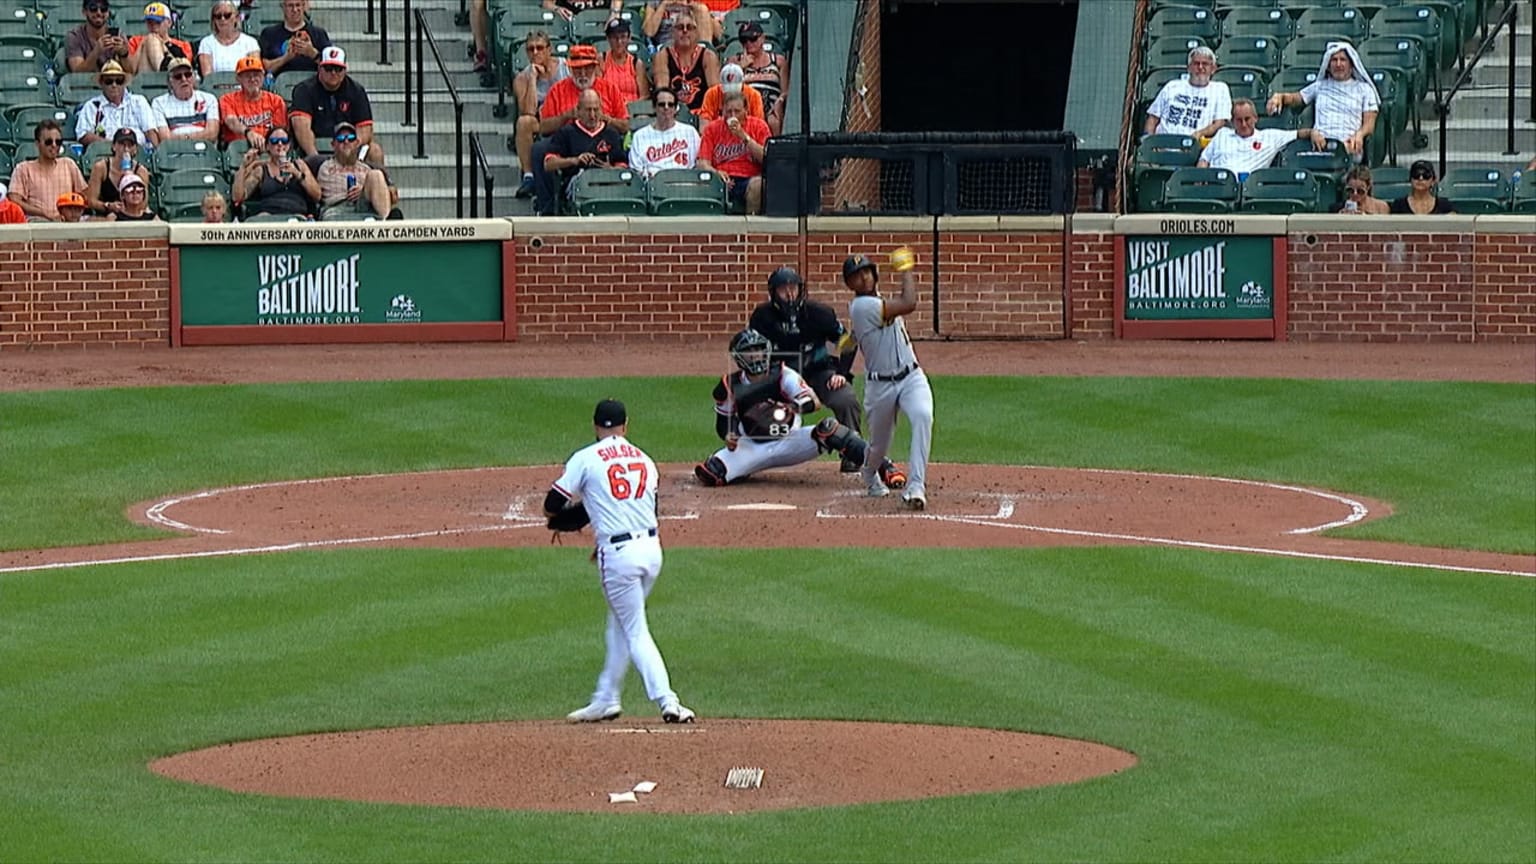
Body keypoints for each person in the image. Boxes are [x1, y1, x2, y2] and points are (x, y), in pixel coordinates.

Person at [546, 398, 696, 726]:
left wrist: (575, 522)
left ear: (596, 426)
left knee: (634, 630)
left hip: (619, 557)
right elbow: (643, 506)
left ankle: (668, 700)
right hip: (652, 550)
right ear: (626, 425)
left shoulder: (586, 457)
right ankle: (606, 699)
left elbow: (553, 504)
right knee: (621, 625)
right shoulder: (645, 459)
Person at [748, 267, 895, 479]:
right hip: (779, 377)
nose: (790, 294)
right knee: (752, 403)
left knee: (845, 398)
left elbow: (847, 343)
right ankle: (751, 455)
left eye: (793, 288)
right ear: (773, 292)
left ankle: (852, 454)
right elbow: (751, 350)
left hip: (818, 372)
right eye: (783, 289)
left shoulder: (820, 313)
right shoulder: (761, 318)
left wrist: (841, 373)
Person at [694, 328, 879, 487]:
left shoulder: (783, 374)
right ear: (738, 357)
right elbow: (724, 421)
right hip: (750, 445)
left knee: (829, 430)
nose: (755, 356)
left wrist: (793, 407)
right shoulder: (729, 385)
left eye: (758, 350)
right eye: (749, 352)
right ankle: (744, 468)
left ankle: (882, 466)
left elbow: (814, 402)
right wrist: (729, 435)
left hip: (789, 440)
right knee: (711, 473)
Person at [844, 248, 933, 511]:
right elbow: (909, 303)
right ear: (849, 284)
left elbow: (850, 341)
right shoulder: (862, 306)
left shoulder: (875, 304)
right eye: (857, 276)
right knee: (879, 446)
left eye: (867, 272)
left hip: (911, 377)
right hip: (879, 386)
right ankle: (870, 473)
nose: (864, 278)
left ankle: (916, 486)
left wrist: (850, 341)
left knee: (923, 416)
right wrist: (906, 269)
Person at [1266, 41, 1378, 159]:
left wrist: (1360, 135)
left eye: (1343, 60)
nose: (1338, 64)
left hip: (1350, 145)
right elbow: (1296, 98)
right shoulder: (1320, 86)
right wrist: (1279, 97)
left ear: (1351, 64)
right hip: (1319, 144)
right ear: (1328, 65)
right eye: (1334, 60)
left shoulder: (1365, 89)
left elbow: (1369, 124)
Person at [289, 47, 384, 169]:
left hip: (346, 145)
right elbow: (301, 128)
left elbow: (365, 129)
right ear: (319, 68)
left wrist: (349, 152)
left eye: (338, 69)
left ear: (345, 70)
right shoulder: (304, 89)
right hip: (314, 147)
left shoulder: (356, 90)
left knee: (375, 151)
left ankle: (383, 184)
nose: (333, 73)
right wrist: (317, 159)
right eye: (328, 68)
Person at [537, 89, 628, 215]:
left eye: (596, 110)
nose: (592, 115)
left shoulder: (611, 133)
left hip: (608, 184)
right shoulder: (566, 132)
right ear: (578, 111)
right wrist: (575, 160)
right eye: (588, 110)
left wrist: (610, 169)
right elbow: (548, 164)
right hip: (578, 183)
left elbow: (623, 166)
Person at [1197, 98, 1326, 178]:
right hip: (1216, 184)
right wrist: (1200, 178)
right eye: (1239, 120)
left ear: (1255, 118)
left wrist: (1313, 133)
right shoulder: (1222, 134)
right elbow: (1204, 159)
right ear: (1232, 121)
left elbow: (1298, 133)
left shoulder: (1269, 137)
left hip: (1247, 189)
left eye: (1247, 119)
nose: (1243, 124)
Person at [510, 31, 571, 198]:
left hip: (565, 116)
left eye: (540, 48)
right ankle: (529, 177)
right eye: (531, 49)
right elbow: (528, 110)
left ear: (549, 49)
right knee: (524, 123)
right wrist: (533, 78)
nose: (535, 52)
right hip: (542, 121)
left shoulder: (566, 68)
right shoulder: (522, 78)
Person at [696, 91, 768, 214]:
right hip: (722, 178)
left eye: (737, 111)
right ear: (722, 110)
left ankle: (751, 228)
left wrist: (743, 136)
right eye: (728, 111)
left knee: (758, 185)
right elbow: (702, 163)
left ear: (746, 110)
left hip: (749, 178)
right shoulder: (712, 128)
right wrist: (716, 173)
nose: (732, 115)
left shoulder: (759, 126)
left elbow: (767, 158)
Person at [6, 120, 88, 222]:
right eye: (48, 142)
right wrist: (44, 214)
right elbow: (14, 200)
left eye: (58, 142)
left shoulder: (68, 164)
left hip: (68, 221)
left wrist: (72, 212)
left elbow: (84, 195)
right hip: (37, 221)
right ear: (37, 143)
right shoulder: (23, 168)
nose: (54, 145)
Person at [1143, 46, 1231, 141]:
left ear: (1213, 69)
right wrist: (1149, 142)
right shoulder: (1172, 86)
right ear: (1189, 68)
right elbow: (1153, 118)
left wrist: (1200, 133)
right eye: (1196, 64)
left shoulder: (1220, 89)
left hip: (1195, 146)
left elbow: (1219, 123)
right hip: (1163, 144)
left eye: (1205, 64)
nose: (1200, 67)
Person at [233, 126, 321, 218]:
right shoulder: (261, 169)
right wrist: (243, 166)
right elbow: (238, 197)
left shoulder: (299, 165)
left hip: (297, 214)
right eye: (274, 141)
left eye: (284, 140)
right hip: (269, 216)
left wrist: (297, 174)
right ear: (267, 146)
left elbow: (317, 195)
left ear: (288, 145)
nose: (280, 144)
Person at [315, 123, 392, 220]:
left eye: (351, 138)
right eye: (341, 138)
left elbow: (386, 193)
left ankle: (385, 223)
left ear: (357, 143)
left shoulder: (366, 168)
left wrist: (362, 190)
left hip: (364, 207)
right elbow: (324, 196)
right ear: (333, 145)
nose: (346, 141)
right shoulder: (326, 167)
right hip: (336, 208)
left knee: (376, 175)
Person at [75, 61, 157, 147]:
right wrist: (114, 146)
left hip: (138, 153)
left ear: (124, 83)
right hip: (106, 153)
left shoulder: (139, 102)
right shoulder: (92, 106)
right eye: (109, 81)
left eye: (119, 81)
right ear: (101, 83)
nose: (114, 85)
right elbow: (83, 135)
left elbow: (150, 131)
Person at [652, 11, 718, 112]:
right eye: (680, 27)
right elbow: (662, 91)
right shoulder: (662, 56)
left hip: (702, 113)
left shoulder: (708, 56)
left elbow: (714, 94)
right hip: (672, 113)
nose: (685, 31)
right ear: (673, 32)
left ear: (696, 32)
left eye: (690, 27)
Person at [729, 21, 787, 135]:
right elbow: (728, 89)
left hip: (771, 107)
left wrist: (780, 102)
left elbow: (785, 91)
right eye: (744, 40)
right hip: (746, 107)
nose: (749, 43)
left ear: (762, 38)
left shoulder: (778, 61)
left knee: (773, 121)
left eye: (753, 38)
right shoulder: (735, 61)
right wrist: (741, 68)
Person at [627, 86, 699, 175]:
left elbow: (698, 163)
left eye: (670, 104)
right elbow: (636, 171)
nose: (666, 107)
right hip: (653, 185)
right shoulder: (640, 136)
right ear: (654, 107)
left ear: (676, 108)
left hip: (684, 182)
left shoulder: (690, 132)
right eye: (661, 104)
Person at [150, 57, 221, 145]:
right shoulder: (159, 103)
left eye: (188, 75)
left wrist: (183, 137)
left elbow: (212, 134)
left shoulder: (209, 99)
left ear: (194, 77)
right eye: (178, 76)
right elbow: (165, 138)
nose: (184, 79)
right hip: (175, 154)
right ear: (170, 81)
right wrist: (200, 135)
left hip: (204, 153)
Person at [220, 55, 288, 146]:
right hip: (239, 149)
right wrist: (248, 133)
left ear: (263, 77)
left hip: (269, 148)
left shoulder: (276, 101)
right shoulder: (227, 99)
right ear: (238, 79)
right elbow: (231, 122)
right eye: (247, 76)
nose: (252, 79)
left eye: (256, 75)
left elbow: (279, 131)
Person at [85, 127, 152, 217]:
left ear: (135, 149)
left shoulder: (141, 171)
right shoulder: (101, 167)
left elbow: (144, 203)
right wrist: (108, 206)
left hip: (132, 214)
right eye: (121, 144)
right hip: (106, 215)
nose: (126, 149)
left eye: (130, 145)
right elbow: (91, 200)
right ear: (114, 146)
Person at [259, 0, 332, 78]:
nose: (295, 10)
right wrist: (286, 58)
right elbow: (264, 68)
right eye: (290, 6)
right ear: (283, 7)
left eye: (298, 5)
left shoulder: (319, 33)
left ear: (304, 6)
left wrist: (312, 53)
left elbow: (331, 66)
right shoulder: (269, 34)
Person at [125, 2, 194, 75]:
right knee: (151, 40)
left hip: (175, 78)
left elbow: (185, 68)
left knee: (152, 40)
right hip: (146, 77)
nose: (153, 26)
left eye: (158, 22)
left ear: (169, 23)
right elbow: (131, 70)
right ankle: (163, 74)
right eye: (150, 22)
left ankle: (164, 73)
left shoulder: (183, 45)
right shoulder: (135, 41)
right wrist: (143, 43)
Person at [197, 0, 261, 76]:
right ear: (214, 20)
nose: (222, 19)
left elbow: (254, 73)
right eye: (218, 16)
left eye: (227, 15)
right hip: (216, 86)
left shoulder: (251, 42)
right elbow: (208, 76)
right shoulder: (206, 43)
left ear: (236, 18)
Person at [65, 0, 131, 73]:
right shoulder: (75, 36)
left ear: (108, 13)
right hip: (86, 84)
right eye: (93, 8)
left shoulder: (118, 34)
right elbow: (77, 72)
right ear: (84, 12)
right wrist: (96, 52)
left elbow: (131, 71)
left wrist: (124, 54)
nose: (99, 13)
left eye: (103, 9)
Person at [599, 18, 650, 104]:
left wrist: (629, 105)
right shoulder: (602, 59)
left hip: (632, 109)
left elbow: (644, 96)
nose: (619, 42)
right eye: (614, 38)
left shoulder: (636, 63)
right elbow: (598, 92)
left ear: (629, 38)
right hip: (608, 108)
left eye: (623, 37)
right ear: (608, 39)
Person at [696, 62, 765, 124]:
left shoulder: (754, 95)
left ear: (743, 82)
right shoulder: (711, 94)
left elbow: (759, 124)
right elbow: (705, 120)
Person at [1388, 160, 1456, 214]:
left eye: (1425, 175)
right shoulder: (1399, 205)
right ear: (1410, 179)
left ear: (1433, 180)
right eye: (1416, 174)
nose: (1420, 178)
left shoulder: (1445, 205)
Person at [642, 0, 719, 48]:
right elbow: (649, 31)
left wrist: (696, 10)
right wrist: (663, 5)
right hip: (668, 45)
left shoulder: (694, 2)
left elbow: (719, 34)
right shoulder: (655, 2)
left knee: (703, 9)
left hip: (692, 44)